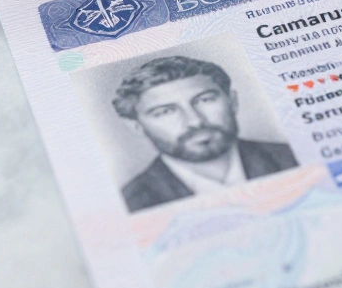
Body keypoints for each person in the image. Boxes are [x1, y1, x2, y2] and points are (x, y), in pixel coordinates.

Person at [112, 56, 297, 212]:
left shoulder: (293, 158)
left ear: (232, 102)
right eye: (165, 112)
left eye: (205, 100)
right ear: (136, 126)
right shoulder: (131, 204)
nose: (195, 121)